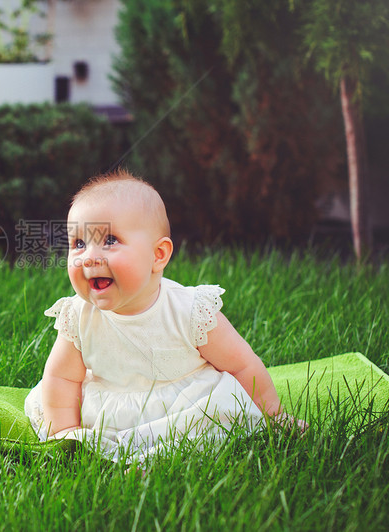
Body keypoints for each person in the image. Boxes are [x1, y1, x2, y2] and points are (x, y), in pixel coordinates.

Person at [24, 169, 300, 462]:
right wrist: (65, 433)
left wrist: (274, 417)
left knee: (209, 423)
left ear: (158, 255)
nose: (89, 256)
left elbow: (243, 366)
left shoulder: (189, 310)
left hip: (184, 405)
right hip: (111, 406)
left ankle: (154, 462)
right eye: (79, 244)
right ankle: (116, 455)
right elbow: (61, 378)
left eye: (110, 240)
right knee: (77, 423)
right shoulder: (79, 316)